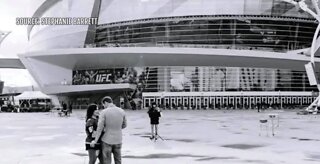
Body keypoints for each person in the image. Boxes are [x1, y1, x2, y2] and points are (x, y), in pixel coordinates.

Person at [91, 96, 127, 164]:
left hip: (107, 140)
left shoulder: (104, 112)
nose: (104, 106)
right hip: (118, 140)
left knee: (107, 161)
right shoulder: (122, 111)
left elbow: (100, 128)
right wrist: (117, 127)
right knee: (118, 161)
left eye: (103, 105)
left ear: (106, 102)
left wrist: (95, 140)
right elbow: (125, 125)